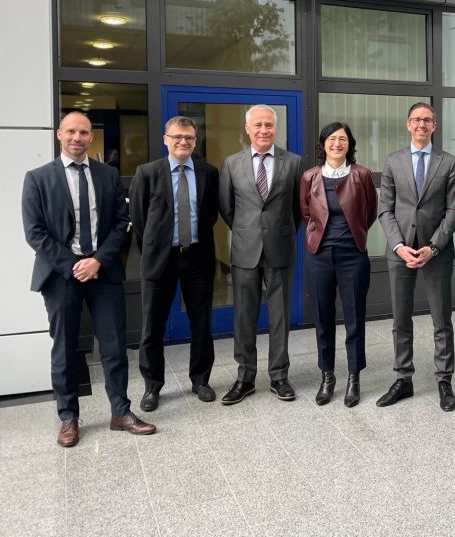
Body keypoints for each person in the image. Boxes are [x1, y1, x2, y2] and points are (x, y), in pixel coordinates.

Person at [22, 111, 156, 447]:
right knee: (65, 350)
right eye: (71, 132)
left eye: (84, 132)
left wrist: (97, 260)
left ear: (90, 137)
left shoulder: (108, 175)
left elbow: (121, 222)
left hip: (104, 272)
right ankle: (69, 417)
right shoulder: (37, 178)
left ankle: (120, 412)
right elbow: (35, 233)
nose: (77, 137)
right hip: (60, 275)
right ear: (59, 135)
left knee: (114, 348)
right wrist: (74, 265)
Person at [377, 102, 455, 412]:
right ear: (407, 124)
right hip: (400, 251)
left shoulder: (448, 162)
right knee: (401, 319)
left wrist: (435, 245)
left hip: (436, 252)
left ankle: (444, 379)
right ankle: (403, 379)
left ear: (435, 126)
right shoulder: (392, 162)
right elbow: (385, 210)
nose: (421, 124)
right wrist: (399, 245)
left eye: (427, 120)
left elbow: (454, 209)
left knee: (441, 319)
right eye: (416, 119)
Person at [129, 116, 219, 411]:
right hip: (161, 260)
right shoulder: (147, 172)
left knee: (201, 323)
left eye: (189, 138)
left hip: (197, 257)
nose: (183, 142)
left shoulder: (208, 172)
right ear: (165, 139)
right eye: (178, 136)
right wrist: (157, 248)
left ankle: (201, 380)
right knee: (152, 327)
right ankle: (152, 386)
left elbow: (211, 216)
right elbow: (141, 220)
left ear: (195, 141)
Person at [219, 104, 302, 405]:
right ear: (248, 129)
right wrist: (248, 231)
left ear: (275, 128)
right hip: (244, 250)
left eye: (268, 125)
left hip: (280, 248)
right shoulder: (231, 163)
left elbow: (298, 209)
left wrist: (278, 231)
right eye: (258, 126)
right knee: (244, 316)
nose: (264, 130)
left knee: (279, 316)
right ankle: (245, 377)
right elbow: (227, 207)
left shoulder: (293, 162)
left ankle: (279, 376)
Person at [300, 122, 377, 408]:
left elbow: (369, 213)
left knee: (355, 319)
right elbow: (306, 213)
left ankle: (354, 377)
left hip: (352, 255)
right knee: (323, 318)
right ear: (323, 144)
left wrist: (350, 235)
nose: (337, 144)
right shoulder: (310, 177)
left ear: (349, 144)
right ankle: (327, 376)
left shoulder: (362, 175)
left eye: (342, 139)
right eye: (332, 139)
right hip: (319, 255)